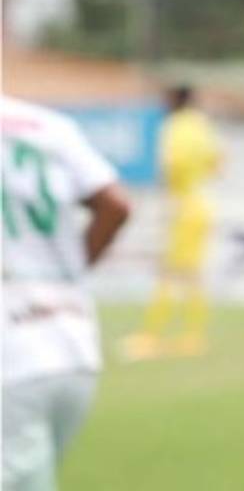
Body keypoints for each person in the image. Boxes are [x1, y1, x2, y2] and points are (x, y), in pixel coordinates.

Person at [3, 96, 131, 490]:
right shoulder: (49, 126)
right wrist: (68, 277)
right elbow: (116, 205)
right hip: (72, 344)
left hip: (10, 356)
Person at [122, 85, 221, 360]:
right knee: (192, 274)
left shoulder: (175, 127)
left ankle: (152, 336)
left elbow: (170, 165)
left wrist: (170, 194)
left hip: (182, 206)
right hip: (203, 202)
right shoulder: (202, 124)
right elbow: (218, 164)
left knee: (168, 272)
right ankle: (193, 335)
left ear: (176, 100)